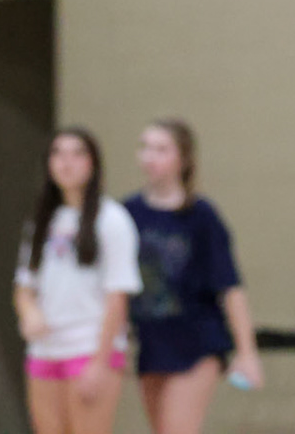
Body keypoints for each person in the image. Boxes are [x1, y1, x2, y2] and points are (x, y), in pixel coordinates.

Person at [124, 118, 264, 434]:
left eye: (161, 149)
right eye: (145, 147)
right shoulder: (127, 213)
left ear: (183, 159)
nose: (150, 156)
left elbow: (229, 286)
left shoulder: (201, 216)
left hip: (196, 340)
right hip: (150, 341)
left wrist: (247, 352)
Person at [16, 127, 141, 434]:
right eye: (57, 154)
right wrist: (29, 313)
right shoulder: (42, 221)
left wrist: (100, 363)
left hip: (88, 348)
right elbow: (24, 287)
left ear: (93, 164)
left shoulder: (112, 219)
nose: (66, 162)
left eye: (77, 154)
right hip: (45, 350)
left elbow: (118, 296)